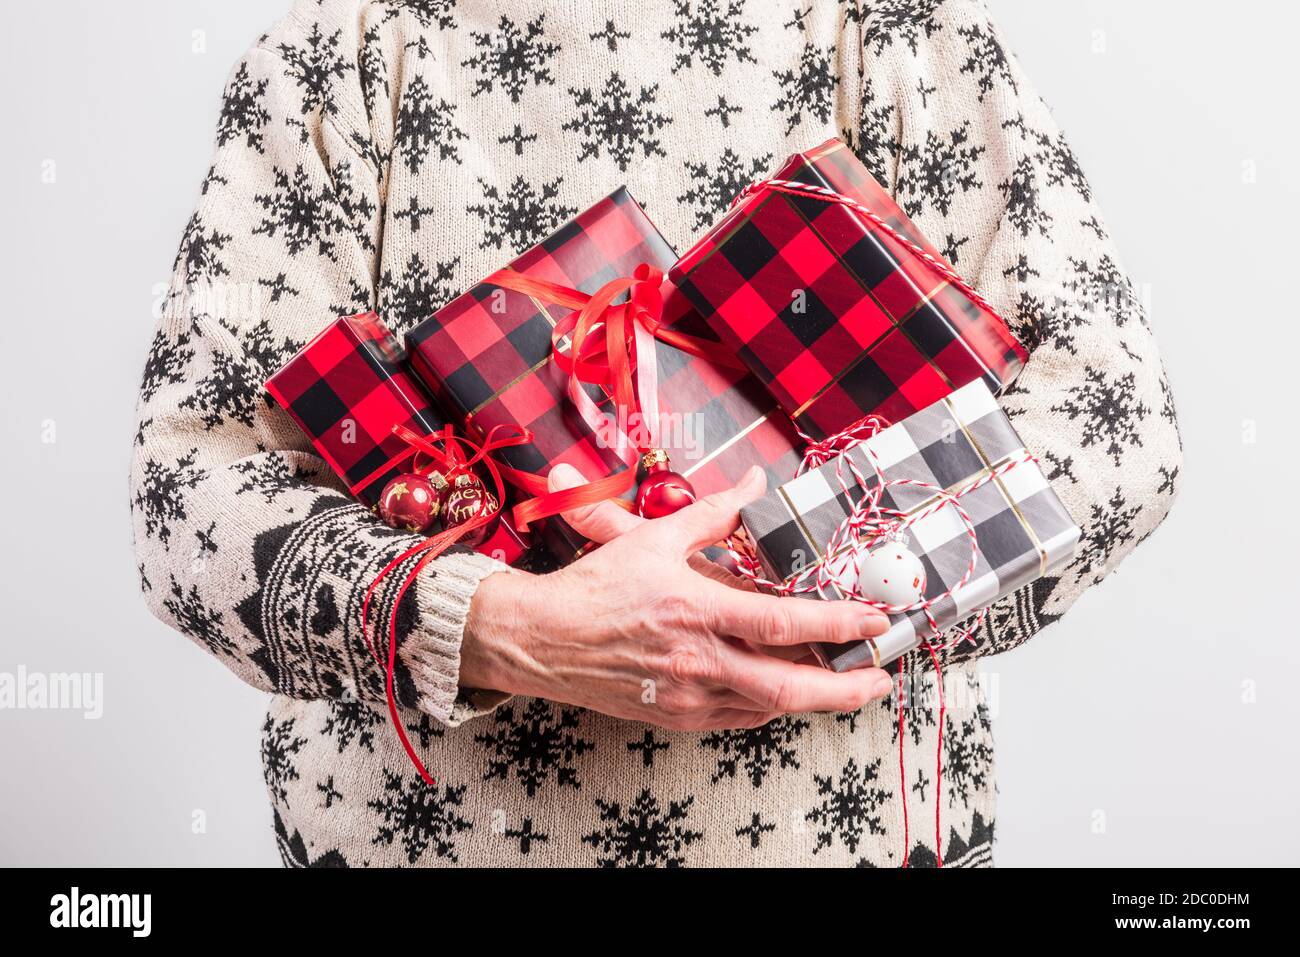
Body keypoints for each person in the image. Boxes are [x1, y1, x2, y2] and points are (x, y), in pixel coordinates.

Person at [130, 0, 1181, 867]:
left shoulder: (899, 33)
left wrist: (794, 592)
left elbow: (1112, 426)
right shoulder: (332, 61)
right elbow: (191, 490)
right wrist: (503, 629)